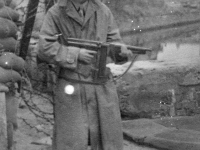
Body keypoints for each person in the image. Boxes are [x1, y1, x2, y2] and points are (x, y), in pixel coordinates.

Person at [37, 0, 132, 150]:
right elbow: (44, 48)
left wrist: (121, 51)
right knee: (70, 141)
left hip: (101, 85)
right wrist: (75, 54)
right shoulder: (56, 12)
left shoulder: (103, 10)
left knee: (109, 141)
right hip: (71, 85)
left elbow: (114, 42)